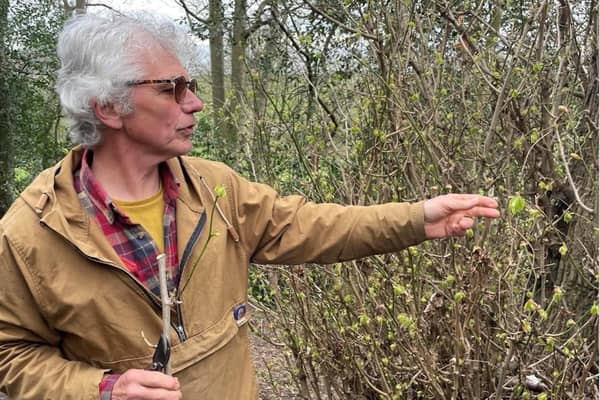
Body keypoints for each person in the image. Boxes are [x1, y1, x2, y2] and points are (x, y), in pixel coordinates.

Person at [0, 12, 500, 400]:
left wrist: (417, 218)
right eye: (170, 89)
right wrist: (100, 390)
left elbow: (310, 225)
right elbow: (11, 355)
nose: (194, 103)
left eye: (190, 86)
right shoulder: (32, 230)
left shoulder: (215, 189)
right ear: (108, 107)